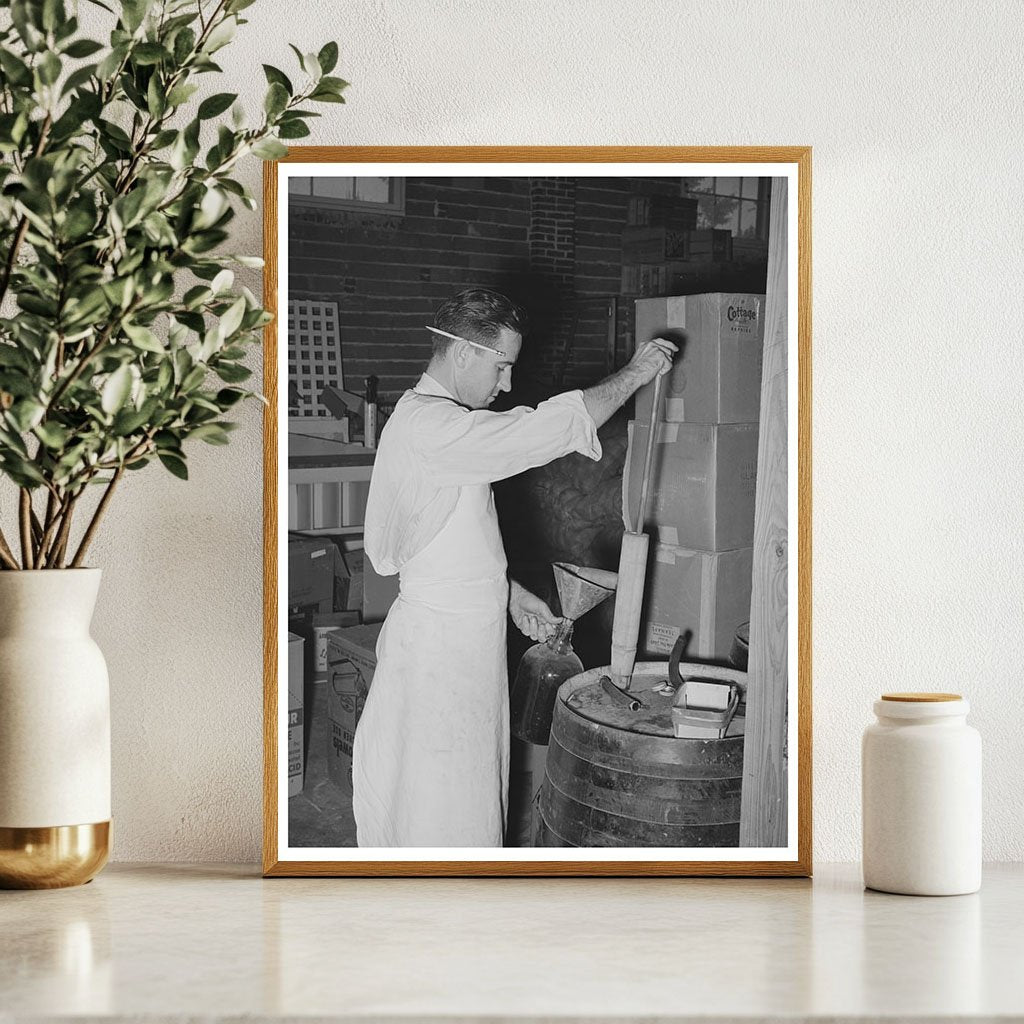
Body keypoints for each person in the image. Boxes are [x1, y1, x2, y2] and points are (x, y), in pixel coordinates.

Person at [352, 288, 675, 847]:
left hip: (462, 642)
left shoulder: (446, 425)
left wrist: (507, 592)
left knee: (463, 792)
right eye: (501, 366)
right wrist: (635, 374)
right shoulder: (431, 427)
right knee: (439, 803)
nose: (505, 385)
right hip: (439, 656)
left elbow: (450, 535)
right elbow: (536, 432)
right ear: (462, 354)